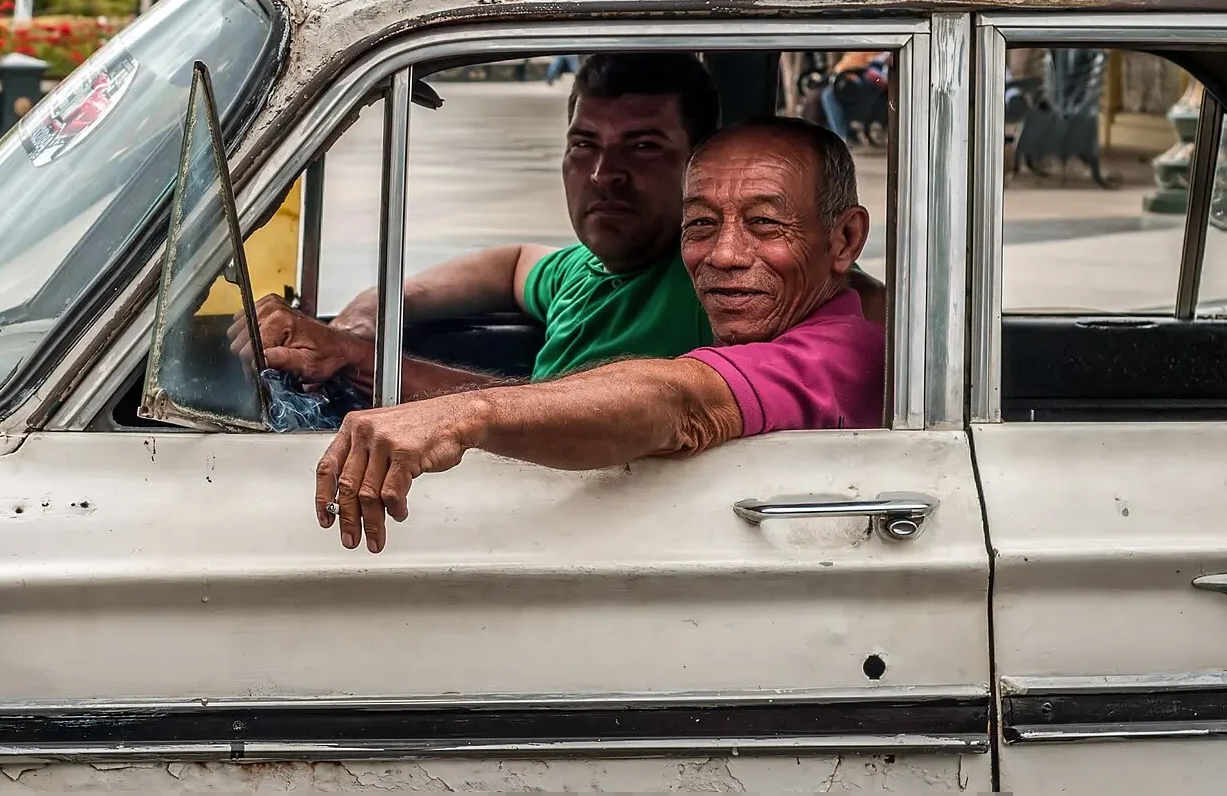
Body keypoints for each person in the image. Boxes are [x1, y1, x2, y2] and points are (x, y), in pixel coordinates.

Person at [312, 117, 883, 552]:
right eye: (701, 224)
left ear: (844, 240)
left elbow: (678, 400)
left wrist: (464, 415)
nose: (725, 255)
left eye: (764, 224)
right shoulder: (585, 274)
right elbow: (515, 267)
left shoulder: (839, 351)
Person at [237, 53, 723, 402]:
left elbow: (556, 417)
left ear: (702, 165)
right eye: (584, 144)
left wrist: (352, 356)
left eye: (642, 147)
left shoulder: (714, 287)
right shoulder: (585, 270)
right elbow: (512, 265)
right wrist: (366, 312)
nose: (602, 173)